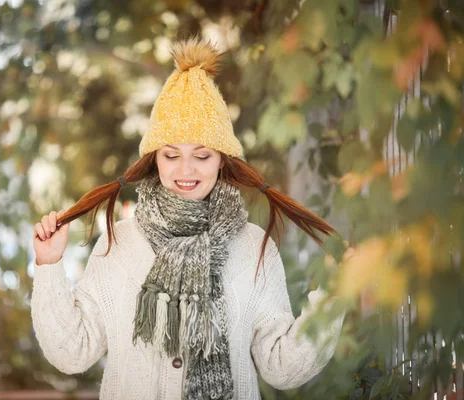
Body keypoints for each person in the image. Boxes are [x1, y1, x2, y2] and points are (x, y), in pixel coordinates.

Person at [31, 38, 344, 400]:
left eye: (202, 155)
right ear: (154, 160)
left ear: (222, 159)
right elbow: (73, 352)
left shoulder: (252, 247)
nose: (186, 170)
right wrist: (49, 265)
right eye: (171, 155)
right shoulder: (119, 246)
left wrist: (336, 296)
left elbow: (282, 366)